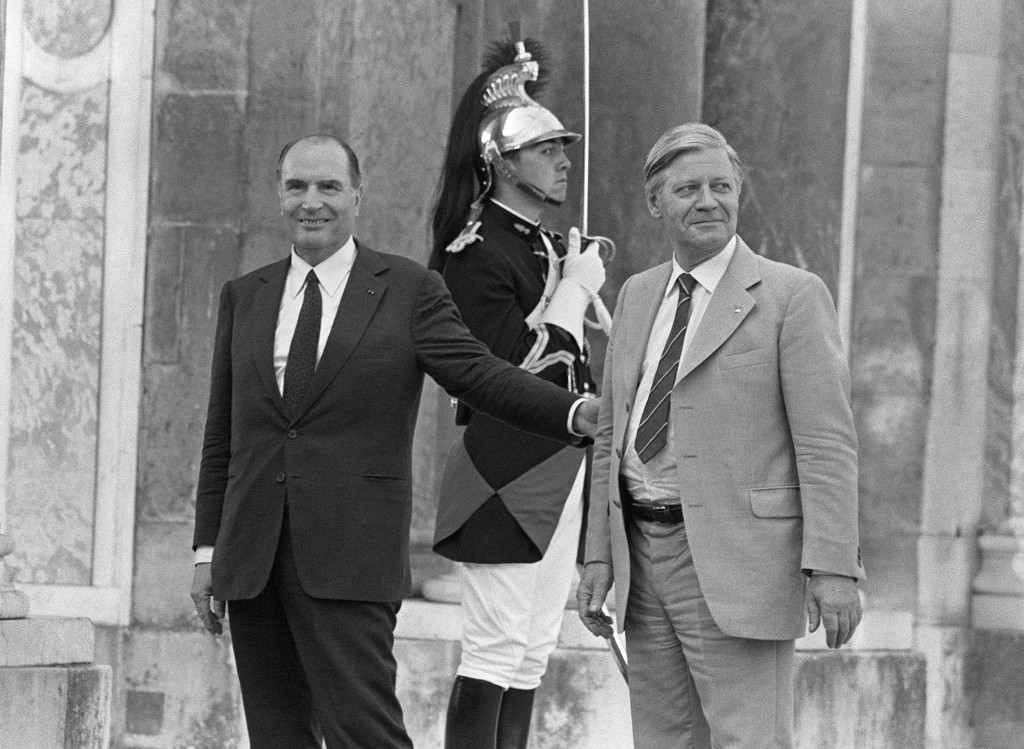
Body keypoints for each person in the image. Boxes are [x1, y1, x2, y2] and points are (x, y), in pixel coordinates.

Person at [188, 134, 599, 749]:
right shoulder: (245, 295)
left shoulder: (409, 290)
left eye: (328, 186)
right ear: (279, 196)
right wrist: (205, 551)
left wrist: (576, 413)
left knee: (367, 735)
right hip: (252, 559)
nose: (312, 202)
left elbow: (482, 374)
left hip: (350, 559)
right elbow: (223, 434)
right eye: (297, 186)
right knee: (277, 738)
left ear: (357, 194)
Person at [576, 123, 864, 749]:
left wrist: (834, 566)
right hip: (640, 558)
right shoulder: (637, 293)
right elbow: (610, 439)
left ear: (738, 194)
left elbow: (826, 444)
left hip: (740, 562)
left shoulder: (792, 296)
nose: (708, 200)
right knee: (664, 738)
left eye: (721, 186)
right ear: (656, 202)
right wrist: (597, 554)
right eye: (687, 188)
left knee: (748, 740)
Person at [428, 38, 605, 749]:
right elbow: (507, 370)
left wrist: (567, 275)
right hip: (502, 467)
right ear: (502, 162)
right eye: (548, 149)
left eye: (564, 147)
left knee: (533, 648)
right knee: (495, 648)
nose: (564, 159)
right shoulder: (474, 253)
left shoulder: (537, 243)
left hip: (558, 463)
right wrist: (572, 292)